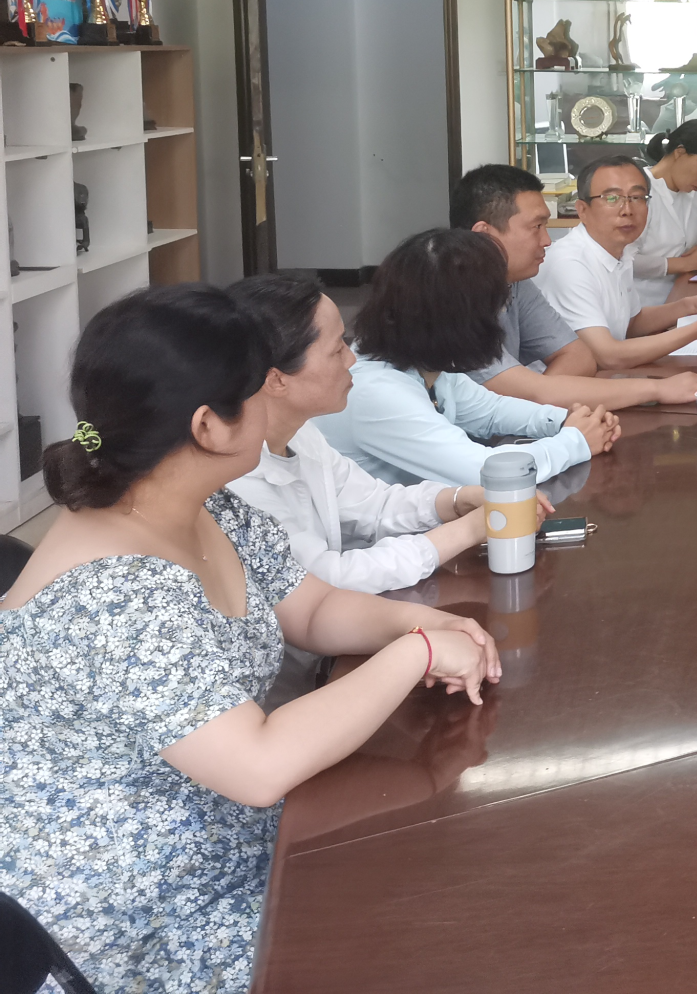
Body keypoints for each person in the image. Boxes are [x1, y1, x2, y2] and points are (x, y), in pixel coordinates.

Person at [0, 285, 499, 993]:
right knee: (419, 929)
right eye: (258, 388)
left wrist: (423, 623)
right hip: (136, 919)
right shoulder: (117, 592)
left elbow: (312, 608)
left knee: (442, 874)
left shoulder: (198, 503)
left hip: (220, 832)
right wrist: (414, 654)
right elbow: (257, 767)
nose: (273, 399)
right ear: (209, 425)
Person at [228, 273, 548, 594]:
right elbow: (324, 581)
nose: (350, 359)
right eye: (336, 350)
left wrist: (455, 500)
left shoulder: (301, 435)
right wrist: (469, 530)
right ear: (276, 380)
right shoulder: (238, 481)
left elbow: (374, 504)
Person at [317, 228, 621, 488]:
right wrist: (576, 441)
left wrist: (567, 420)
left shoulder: (420, 363)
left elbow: (491, 410)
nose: (501, 314)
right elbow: (484, 471)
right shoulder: (377, 392)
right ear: (461, 320)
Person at [452, 163, 697, 408]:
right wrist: (658, 389)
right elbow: (597, 360)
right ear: (484, 236)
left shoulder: (516, 283)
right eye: (536, 227)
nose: (547, 240)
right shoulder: (453, 301)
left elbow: (580, 357)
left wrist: (544, 396)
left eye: (638, 198)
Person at [535, 155, 697, 367]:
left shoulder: (620, 251)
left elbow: (631, 323)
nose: (627, 210)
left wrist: (692, 305)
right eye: (612, 198)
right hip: (559, 385)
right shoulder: (570, 264)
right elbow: (607, 355)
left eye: (637, 197)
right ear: (582, 210)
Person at [629, 120, 697, 309]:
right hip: (642, 307)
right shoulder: (639, 192)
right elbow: (626, 260)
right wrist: (686, 264)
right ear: (680, 152)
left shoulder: (690, 194)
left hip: (682, 296)